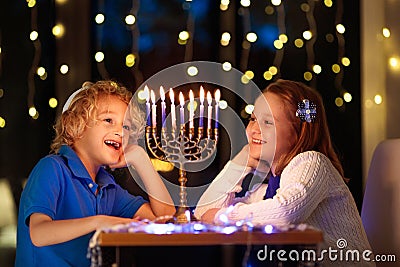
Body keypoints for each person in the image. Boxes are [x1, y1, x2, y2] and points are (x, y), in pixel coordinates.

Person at [194, 79, 374, 266]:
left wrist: (221, 216)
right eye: (253, 119)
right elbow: (203, 212)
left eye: (268, 122)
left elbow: (285, 212)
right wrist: (240, 163)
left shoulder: (313, 162)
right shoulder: (270, 191)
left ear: (299, 131)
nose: (254, 129)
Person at [15, 80, 175, 267]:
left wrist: (141, 159)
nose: (120, 132)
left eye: (126, 127)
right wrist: (100, 222)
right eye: (108, 120)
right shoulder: (52, 168)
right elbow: (39, 233)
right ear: (76, 125)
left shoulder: (107, 187)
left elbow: (166, 220)